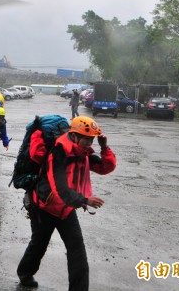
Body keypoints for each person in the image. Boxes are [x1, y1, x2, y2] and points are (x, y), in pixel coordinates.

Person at [17, 116, 116, 290]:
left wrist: (104, 147)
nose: (89, 143)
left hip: (66, 208)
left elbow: (105, 168)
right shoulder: (58, 153)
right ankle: (25, 273)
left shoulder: (83, 154)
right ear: (75, 136)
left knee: (77, 249)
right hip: (44, 207)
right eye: (87, 139)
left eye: (92, 139)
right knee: (39, 244)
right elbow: (59, 188)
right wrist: (84, 200)